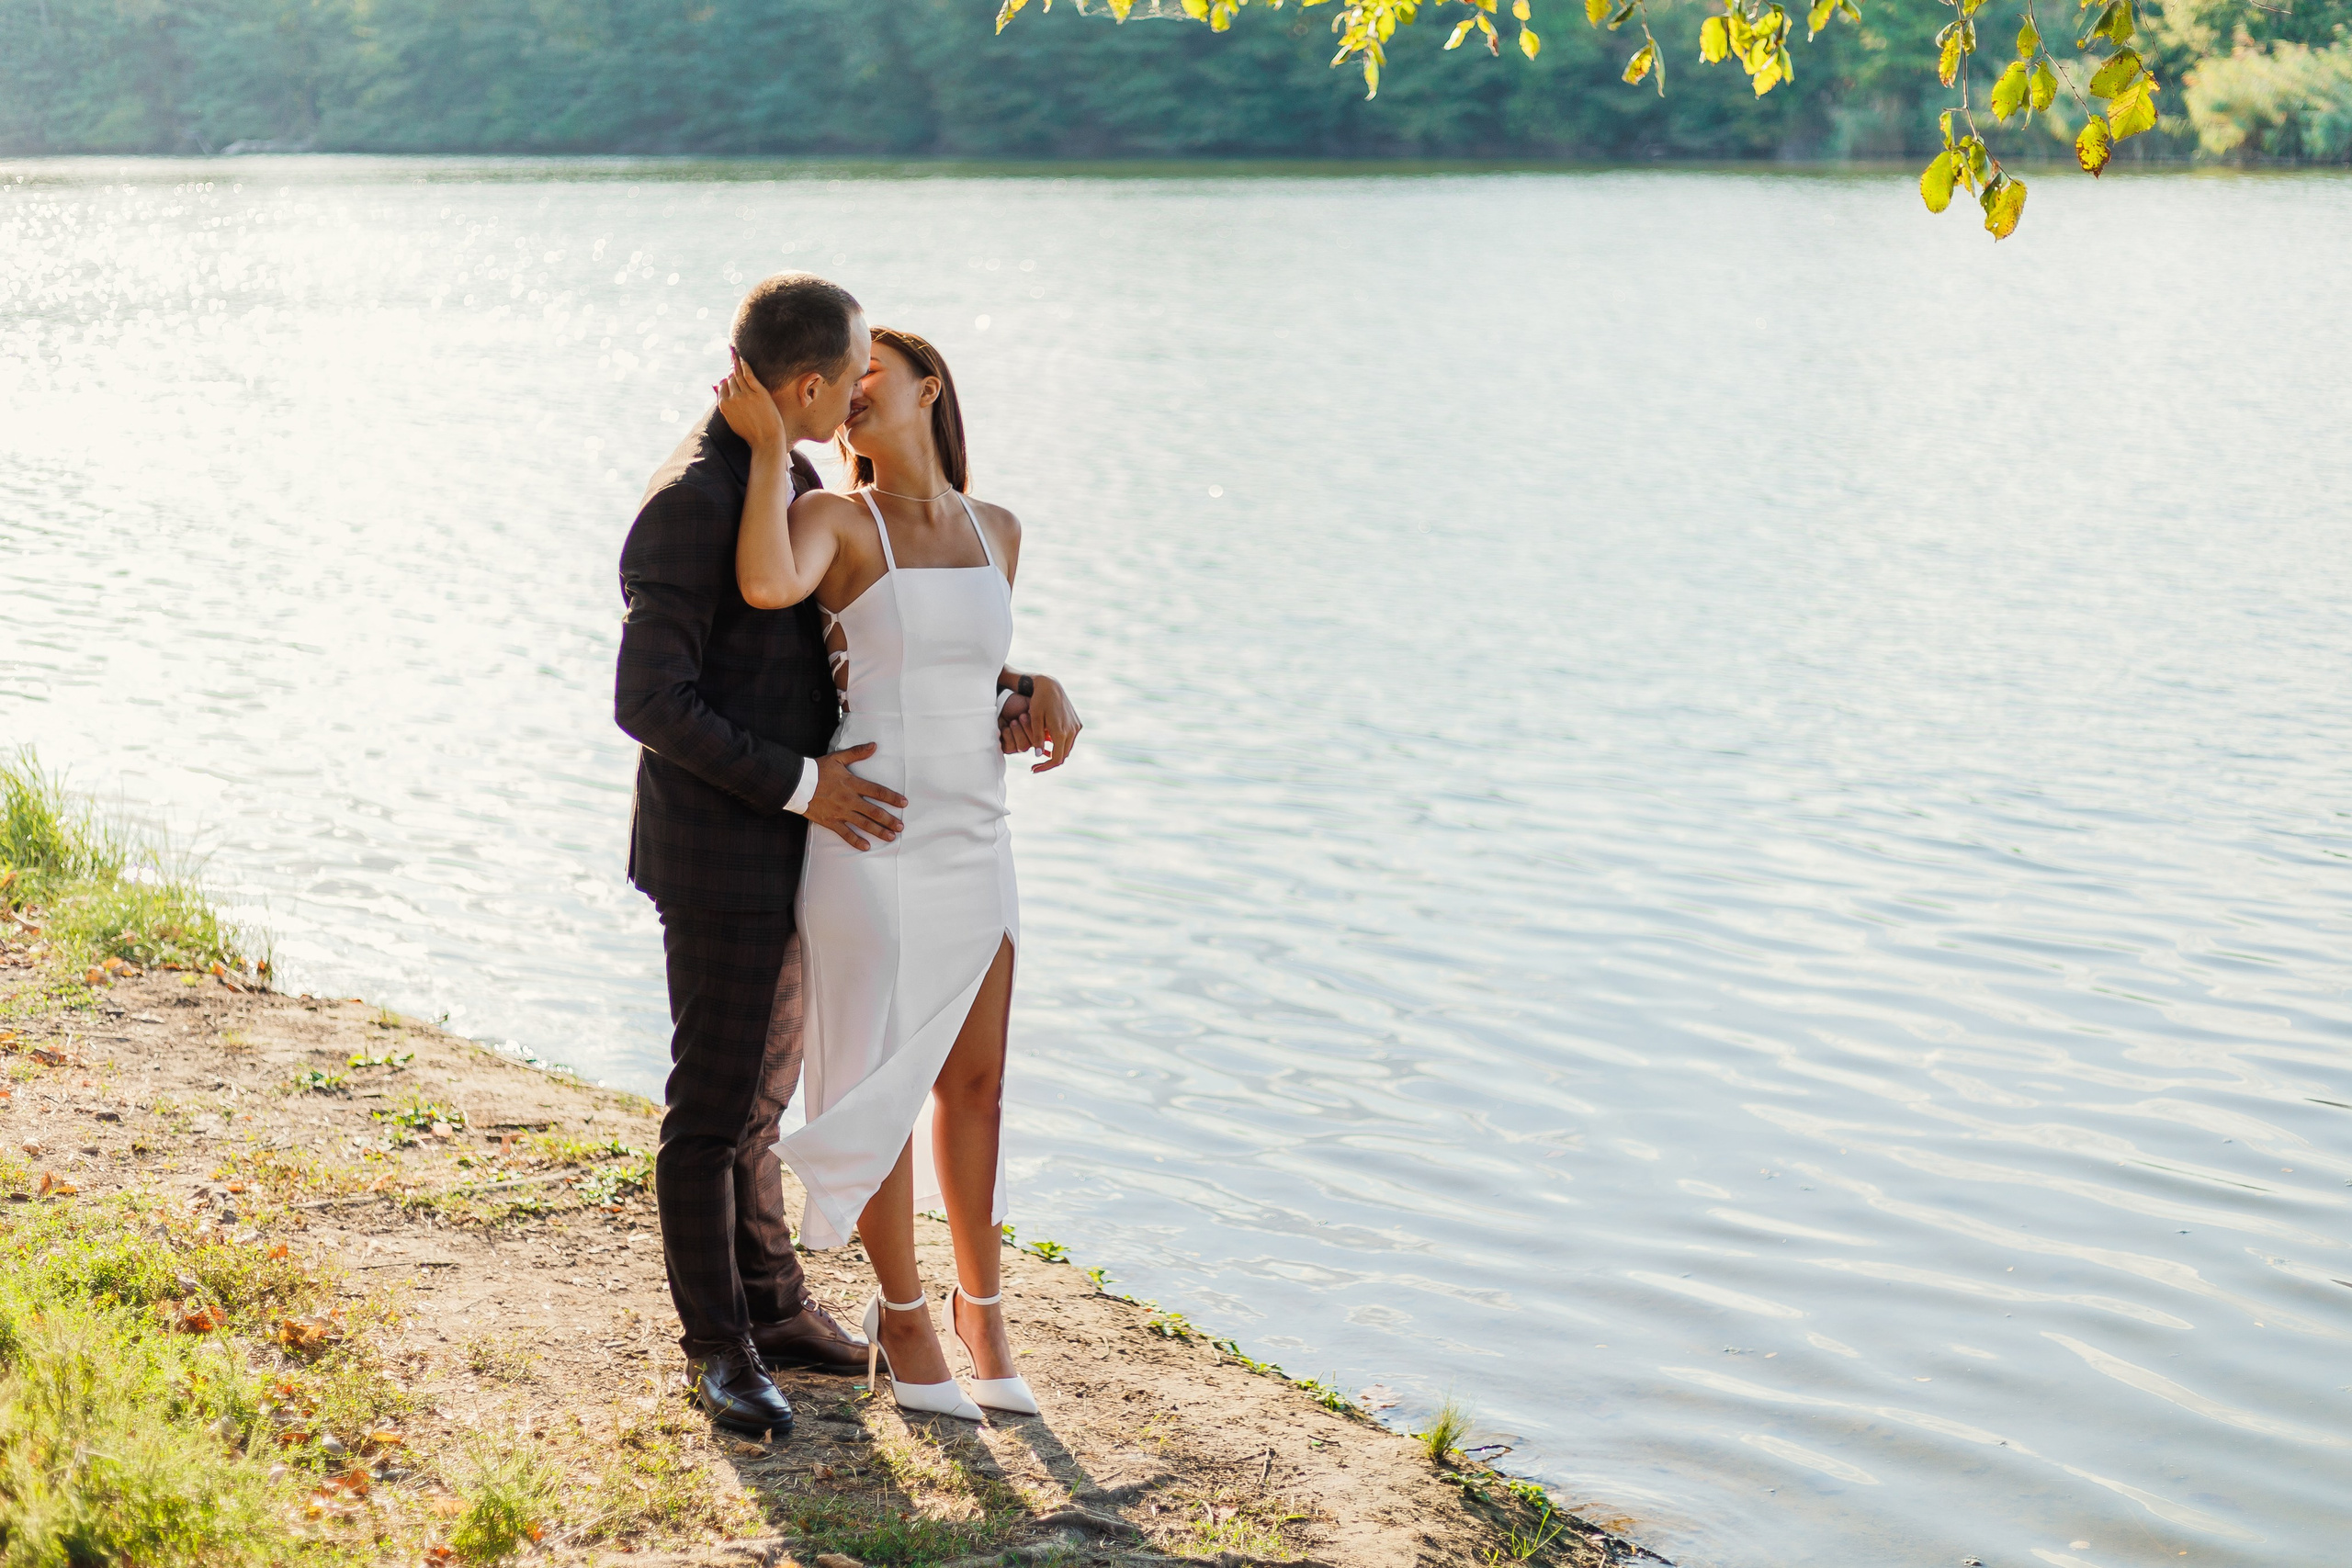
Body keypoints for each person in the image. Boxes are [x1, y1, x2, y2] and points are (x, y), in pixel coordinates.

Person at [718, 324, 1081, 1421]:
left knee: (976, 1088)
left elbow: (966, 664)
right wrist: (774, 443)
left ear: (931, 386)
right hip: (870, 839)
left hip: (979, 832)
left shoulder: (998, 529)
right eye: (842, 380)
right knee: (878, 1084)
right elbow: (769, 586)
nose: (854, 390)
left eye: (875, 372)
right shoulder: (832, 516)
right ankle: (905, 1316)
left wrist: (1038, 686)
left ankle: (985, 1312)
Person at [614, 274, 907, 1438]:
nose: (855, 404)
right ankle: (721, 1349)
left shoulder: (781, 474)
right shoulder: (694, 495)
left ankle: (775, 1306)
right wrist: (804, 789)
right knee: (713, 1104)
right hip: (721, 850)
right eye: (848, 382)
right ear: (804, 385)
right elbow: (649, 701)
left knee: (761, 1102)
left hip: (789, 845)